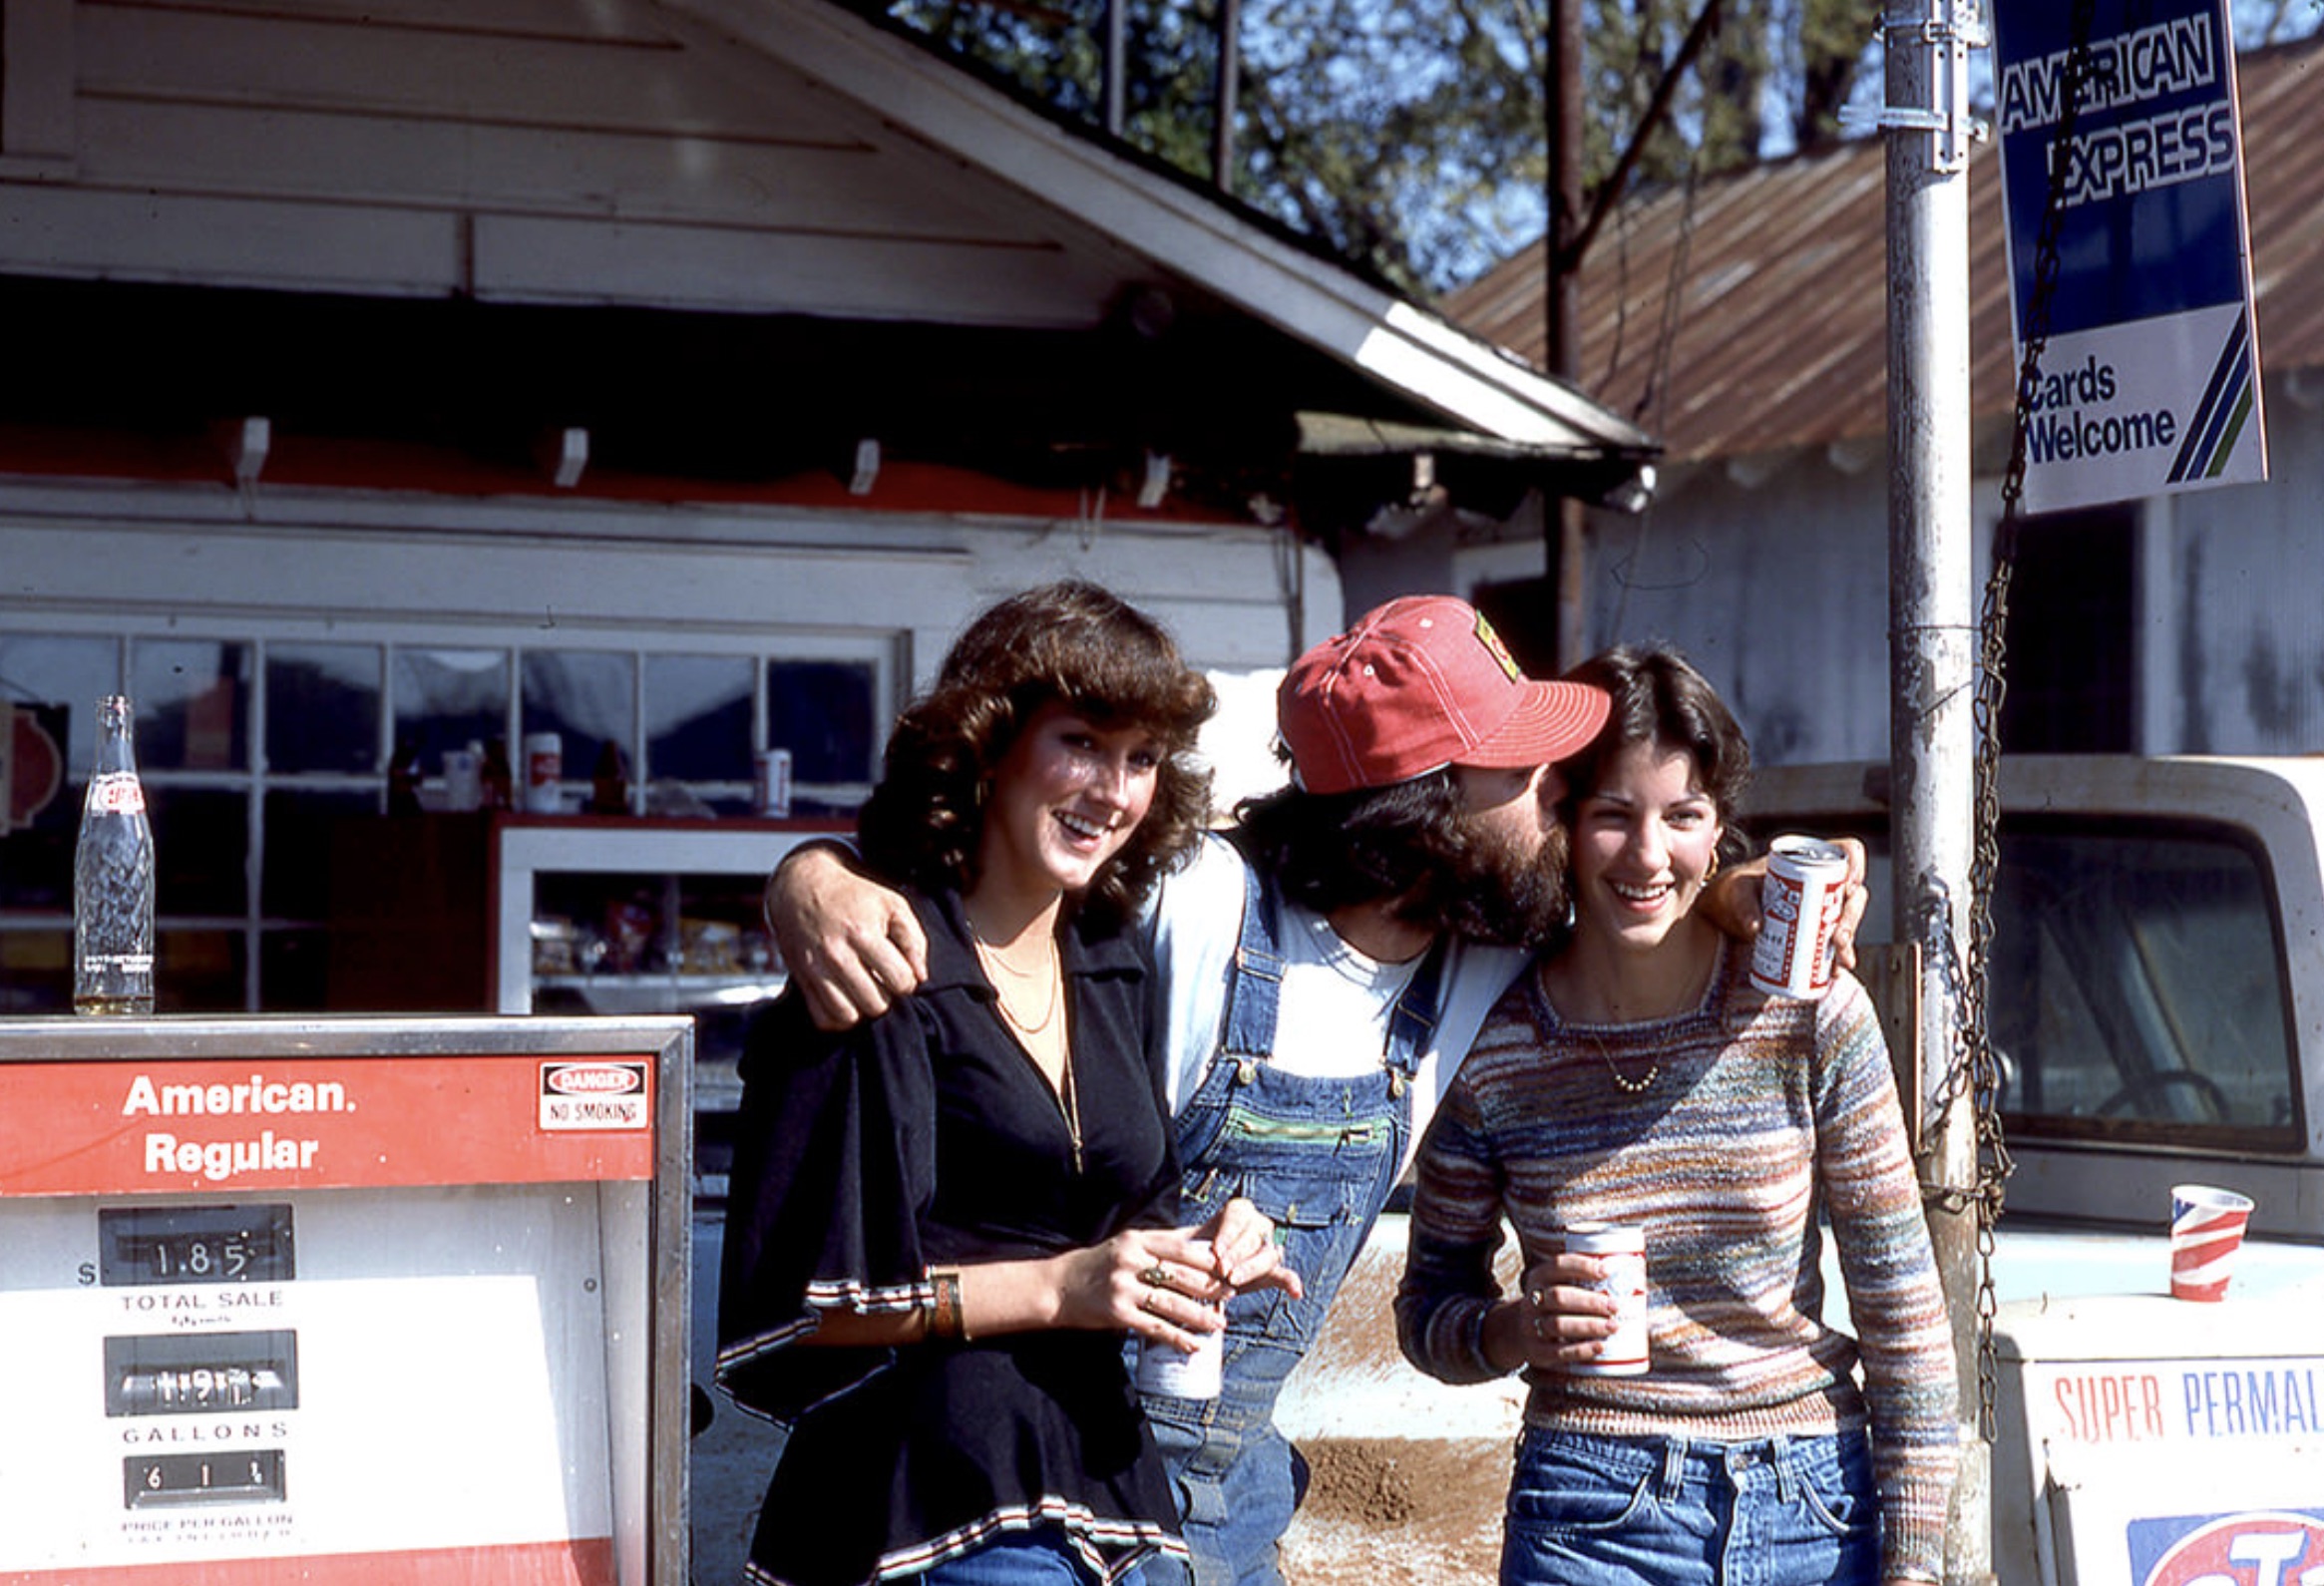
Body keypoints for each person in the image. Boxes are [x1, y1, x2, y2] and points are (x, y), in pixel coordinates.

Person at [761, 596, 1868, 1586]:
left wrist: (1739, 888)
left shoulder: (1483, 950)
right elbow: (994, 902)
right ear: (1427, 806)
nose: (1556, 800)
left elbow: (1646, 893)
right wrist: (812, 876)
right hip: (1044, 1477)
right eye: (1524, 776)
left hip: (1231, 1497)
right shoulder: (1196, 905)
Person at [715, 581, 1299, 1586]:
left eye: (1141, 760)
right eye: (1080, 741)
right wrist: (1059, 1290)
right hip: (931, 1502)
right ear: (985, 746)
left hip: (1111, 1496)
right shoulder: (879, 959)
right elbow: (809, 1307)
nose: (1111, 791)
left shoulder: (1109, 962)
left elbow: (1119, 1219)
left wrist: (1212, 1241)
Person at [1395, 644, 1956, 1586]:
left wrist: (1916, 1564)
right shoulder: (1493, 1043)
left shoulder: (1807, 1008)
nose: (1649, 856)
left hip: (1817, 1502)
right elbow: (1426, 1311)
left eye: (1683, 816)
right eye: (1613, 815)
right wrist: (1512, 1331)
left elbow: (1904, 1315)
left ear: (1719, 827)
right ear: (1560, 823)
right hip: (1590, 1512)